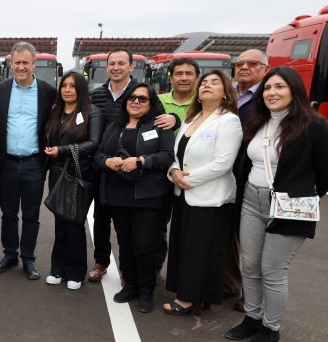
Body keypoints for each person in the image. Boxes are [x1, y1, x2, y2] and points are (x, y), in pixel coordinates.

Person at [225, 67, 328, 342]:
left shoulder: (314, 125)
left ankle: (271, 328)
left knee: (273, 270)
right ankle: (253, 318)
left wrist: (302, 198)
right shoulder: (258, 121)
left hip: (291, 205)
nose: (272, 93)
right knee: (251, 266)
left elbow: (324, 173)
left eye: (280, 87)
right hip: (251, 200)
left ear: (294, 90)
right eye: (268, 88)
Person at [87, 49, 176, 284]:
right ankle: (101, 261)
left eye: (121, 63)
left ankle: (140, 272)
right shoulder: (96, 95)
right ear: (107, 68)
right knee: (101, 217)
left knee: (141, 230)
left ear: (130, 67)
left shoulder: (140, 93)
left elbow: (159, 119)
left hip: (138, 172)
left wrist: (174, 118)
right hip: (104, 165)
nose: (115, 67)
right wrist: (103, 159)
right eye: (112, 64)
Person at [163, 70, 242, 315]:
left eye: (215, 82)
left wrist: (188, 180)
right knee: (185, 248)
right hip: (184, 195)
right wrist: (174, 172)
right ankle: (187, 292)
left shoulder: (228, 120)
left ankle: (190, 299)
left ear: (226, 92)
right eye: (204, 82)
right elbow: (176, 154)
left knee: (202, 251)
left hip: (211, 199)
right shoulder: (190, 118)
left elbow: (223, 163)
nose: (207, 85)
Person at [94, 83, 175, 313]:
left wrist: (141, 161)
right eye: (132, 98)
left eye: (142, 99)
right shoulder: (114, 125)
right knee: (125, 244)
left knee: (144, 246)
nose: (136, 102)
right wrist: (106, 161)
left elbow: (167, 156)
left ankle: (147, 289)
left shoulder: (159, 126)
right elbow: (99, 153)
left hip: (147, 196)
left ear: (151, 103)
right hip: (117, 194)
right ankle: (130, 285)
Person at [0, 42, 57, 279]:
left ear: (33, 64)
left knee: (31, 215)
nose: (20, 67)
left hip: (34, 164)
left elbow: (56, 123)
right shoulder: (2, 89)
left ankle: (28, 258)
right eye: (16, 62)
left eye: (25, 62)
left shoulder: (48, 91)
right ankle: (10, 254)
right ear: (10, 63)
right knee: (8, 213)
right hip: (7, 162)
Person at [43, 72, 103, 290]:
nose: (67, 90)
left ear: (81, 89)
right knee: (60, 221)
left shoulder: (92, 112)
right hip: (57, 172)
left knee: (75, 222)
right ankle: (57, 268)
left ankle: (76, 272)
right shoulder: (55, 111)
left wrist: (62, 150)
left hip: (80, 173)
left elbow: (94, 143)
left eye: (72, 86)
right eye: (64, 86)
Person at [228, 49, 270, 311]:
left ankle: (252, 299)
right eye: (240, 63)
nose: (244, 67)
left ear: (265, 68)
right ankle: (231, 285)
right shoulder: (231, 94)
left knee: (254, 244)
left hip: (254, 177)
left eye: (252, 63)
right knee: (231, 233)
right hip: (227, 174)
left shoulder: (267, 97)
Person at [155, 58, 200, 279]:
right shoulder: (158, 100)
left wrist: (176, 121)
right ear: (171, 78)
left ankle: (185, 277)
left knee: (188, 231)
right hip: (161, 174)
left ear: (196, 77)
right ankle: (155, 271)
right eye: (179, 73)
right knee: (158, 226)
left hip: (193, 177)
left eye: (189, 73)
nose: (183, 78)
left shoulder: (203, 103)